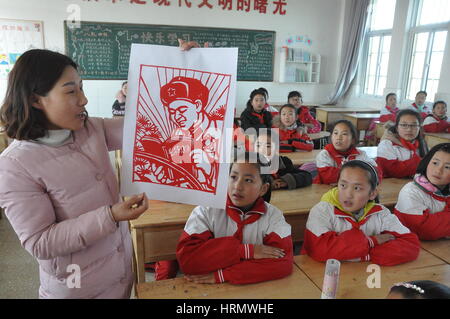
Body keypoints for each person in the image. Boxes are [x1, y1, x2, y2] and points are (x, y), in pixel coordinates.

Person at [0, 49, 150, 298]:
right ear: (36, 99)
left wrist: (187, 66)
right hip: (76, 288)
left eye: (82, 88)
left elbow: (145, 128)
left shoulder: (91, 129)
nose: (83, 100)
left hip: (120, 277)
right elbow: (40, 242)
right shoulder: (15, 165)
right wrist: (110, 216)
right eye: (71, 91)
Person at [176, 152, 293, 284]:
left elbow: (283, 263)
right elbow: (188, 260)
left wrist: (223, 275)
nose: (238, 186)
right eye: (233, 177)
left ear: (263, 189)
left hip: (252, 287)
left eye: (248, 180)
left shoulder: (273, 217)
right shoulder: (206, 211)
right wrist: (246, 251)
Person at [302, 160, 420, 265]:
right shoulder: (322, 211)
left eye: (357, 188)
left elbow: (410, 244)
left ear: (373, 193)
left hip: (365, 277)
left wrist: (361, 253)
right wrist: (371, 241)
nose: (348, 194)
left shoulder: (381, 214)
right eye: (343, 185)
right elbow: (320, 249)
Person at [394, 143, 450, 240]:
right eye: (435, 163)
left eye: (447, 167)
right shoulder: (410, 191)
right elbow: (425, 229)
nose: (438, 171)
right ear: (427, 162)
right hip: (414, 246)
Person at [314, 120, 380, 184]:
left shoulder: (361, 154)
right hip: (326, 191)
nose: (338, 137)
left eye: (344, 134)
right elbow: (328, 178)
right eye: (335, 133)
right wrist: (360, 173)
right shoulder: (325, 154)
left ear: (353, 140)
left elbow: (376, 172)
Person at [376, 109, 428, 178]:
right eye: (404, 125)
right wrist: (421, 162)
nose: (409, 129)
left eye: (414, 125)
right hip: (390, 185)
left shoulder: (421, 144)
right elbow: (392, 171)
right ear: (397, 128)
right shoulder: (387, 144)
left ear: (419, 128)